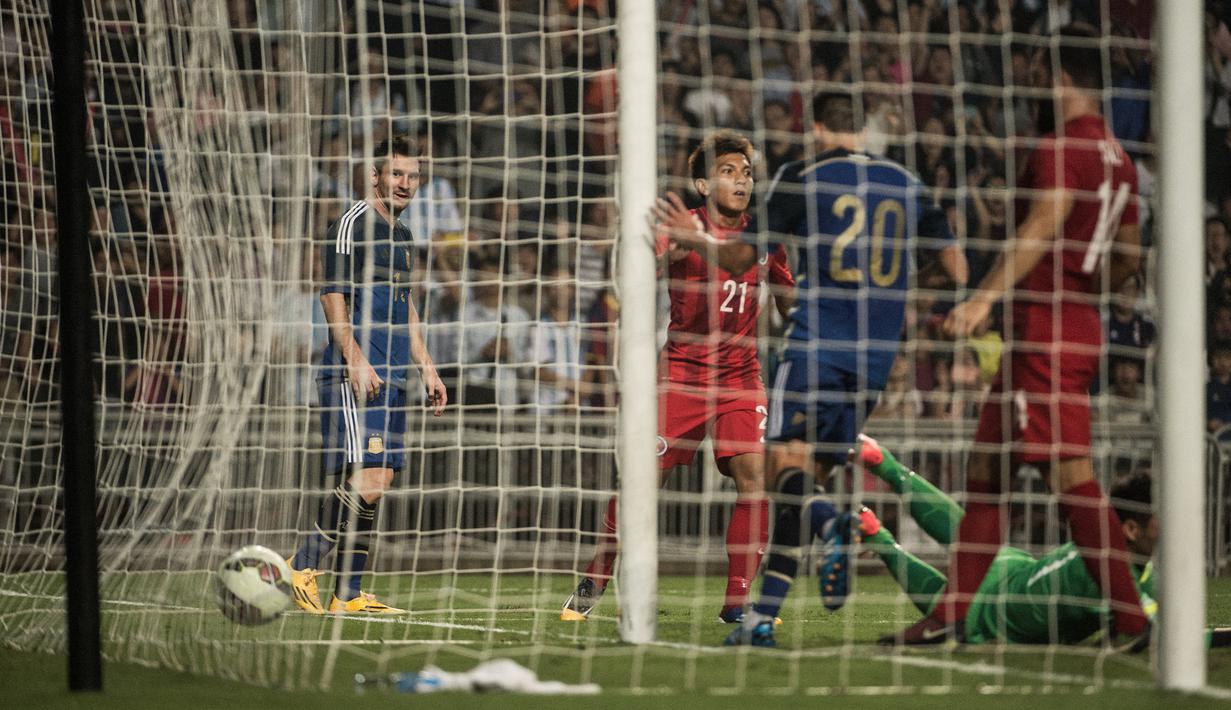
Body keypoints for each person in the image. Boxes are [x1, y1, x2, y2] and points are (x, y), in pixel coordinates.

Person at [655, 92, 967, 646]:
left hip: (816, 345)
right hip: (876, 355)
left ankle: (832, 524)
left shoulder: (803, 176)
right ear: (864, 129)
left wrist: (694, 236)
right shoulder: (906, 181)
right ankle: (761, 620)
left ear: (819, 128)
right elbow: (957, 267)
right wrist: (897, 286)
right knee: (808, 479)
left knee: (784, 474)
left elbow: (740, 257)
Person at [888, 24, 1149, 645]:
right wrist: (1084, 285)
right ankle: (950, 617)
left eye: (1034, 75)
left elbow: (1041, 224)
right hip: (1071, 322)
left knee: (1070, 475)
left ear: (1056, 76)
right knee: (987, 472)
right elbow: (1129, 256)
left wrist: (985, 297)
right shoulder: (1119, 157)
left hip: (1045, 330)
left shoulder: (1061, 146)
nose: (1030, 86)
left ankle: (1133, 620)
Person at [562, 130, 795, 623]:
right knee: (643, 482)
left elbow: (789, 301)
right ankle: (596, 576)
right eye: (728, 172)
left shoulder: (763, 237)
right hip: (682, 377)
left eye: (746, 173)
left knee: (754, 479)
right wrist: (658, 257)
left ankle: (737, 602)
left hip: (741, 379)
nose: (741, 181)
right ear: (704, 185)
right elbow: (635, 278)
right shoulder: (680, 226)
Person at [286, 134, 447, 615]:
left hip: (392, 377)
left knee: (378, 481)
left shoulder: (404, 237)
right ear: (375, 175)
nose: (405, 183)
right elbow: (331, 295)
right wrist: (355, 357)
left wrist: (428, 367)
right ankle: (302, 563)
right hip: (353, 373)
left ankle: (349, 593)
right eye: (396, 173)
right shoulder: (351, 223)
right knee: (369, 479)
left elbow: (406, 305)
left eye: (413, 176)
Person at [853, 435, 1156, 647]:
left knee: (966, 534)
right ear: (1132, 529)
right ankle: (878, 537)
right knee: (954, 612)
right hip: (994, 610)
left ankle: (887, 465)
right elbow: (1151, 630)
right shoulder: (1115, 579)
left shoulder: (1096, 543)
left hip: (1015, 567)